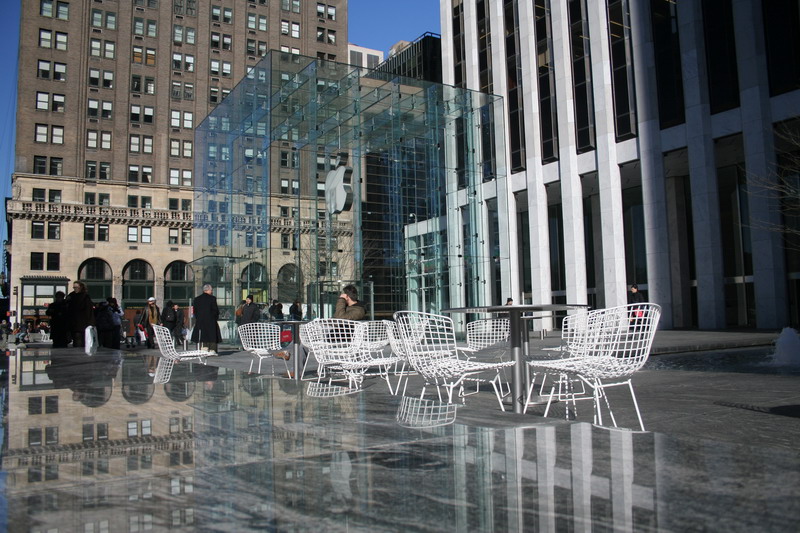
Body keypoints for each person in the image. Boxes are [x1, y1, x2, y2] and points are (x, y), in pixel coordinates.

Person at [191, 284, 221, 355]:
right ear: (208, 290)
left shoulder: (197, 299)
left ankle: (204, 348)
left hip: (200, 320)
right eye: (211, 290)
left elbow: (195, 311)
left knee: (202, 334)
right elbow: (215, 310)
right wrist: (215, 317)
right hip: (211, 320)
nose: (212, 291)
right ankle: (212, 350)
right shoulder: (212, 298)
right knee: (212, 335)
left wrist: (198, 318)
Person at [66, 281, 94, 348]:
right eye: (74, 287)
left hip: (82, 322)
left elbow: (88, 310)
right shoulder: (71, 295)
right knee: (76, 339)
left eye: (76, 287)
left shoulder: (85, 296)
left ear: (81, 287)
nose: (75, 289)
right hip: (73, 322)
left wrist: (90, 322)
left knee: (80, 339)